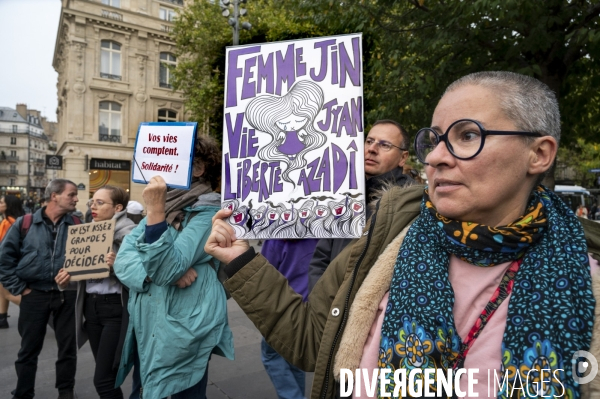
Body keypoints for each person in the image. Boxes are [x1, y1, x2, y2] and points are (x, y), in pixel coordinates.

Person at [206, 71, 600, 398]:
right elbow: (312, 342)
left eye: (467, 136)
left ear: (539, 154)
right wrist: (242, 259)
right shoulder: (390, 233)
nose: (436, 157)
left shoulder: (588, 285)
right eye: (435, 139)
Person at [113, 135, 234, 399]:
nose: (164, 166)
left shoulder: (209, 213)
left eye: (176, 160)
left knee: (186, 392)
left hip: (185, 331)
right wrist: (151, 274)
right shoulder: (166, 208)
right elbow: (123, 260)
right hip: (149, 326)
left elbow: (168, 268)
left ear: (199, 169)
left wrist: (154, 213)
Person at [308, 119, 413, 292]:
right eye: (369, 141)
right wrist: (321, 301)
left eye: (385, 145)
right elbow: (320, 259)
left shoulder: (410, 204)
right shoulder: (346, 196)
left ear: (403, 158)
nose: (371, 149)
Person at [0, 179, 80, 399]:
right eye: (71, 194)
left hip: (67, 295)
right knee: (28, 350)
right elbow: (4, 260)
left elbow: (85, 261)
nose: (76, 198)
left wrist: (74, 273)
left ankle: (66, 391)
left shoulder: (77, 223)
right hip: (34, 293)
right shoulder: (25, 223)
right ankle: (24, 392)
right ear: (54, 196)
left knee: (67, 348)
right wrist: (20, 289)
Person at [55, 185, 135, 398]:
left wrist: (117, 266)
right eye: (92, 202)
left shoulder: (131, 234)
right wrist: (66, 279)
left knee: (103, 380)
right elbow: (82, 277)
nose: (93, 206)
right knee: (106, 376)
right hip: (91, 309)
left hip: (115, 309)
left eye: (100, 202)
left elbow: (141, 275)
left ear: (117, 207)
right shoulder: (87, 232)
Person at [0, 195, 25, 328]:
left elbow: (4, 246)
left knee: (7, 293)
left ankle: (38, 309)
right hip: (15, 262)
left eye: (1, 202)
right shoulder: (16, 221)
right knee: (2, 291)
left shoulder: (7, 222)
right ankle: (2, 317)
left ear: (8, 206)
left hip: (6, 263)